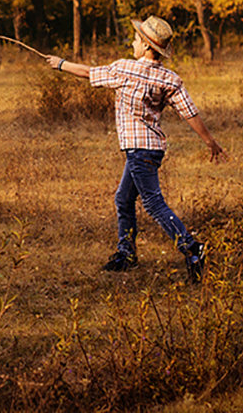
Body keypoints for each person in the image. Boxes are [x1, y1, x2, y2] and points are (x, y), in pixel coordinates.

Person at [45, 15, 226, 282]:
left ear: (145, 46)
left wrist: (61, 64)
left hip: (138, 151)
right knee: (123, 198)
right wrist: (210, 141)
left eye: (135, 39)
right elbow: (190, 113)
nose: (132, 42)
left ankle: (192, 248)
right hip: (151, 149)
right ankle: (126, 253)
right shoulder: (170, 79)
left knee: (153, 203)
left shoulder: (125, 69)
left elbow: (88, 72)